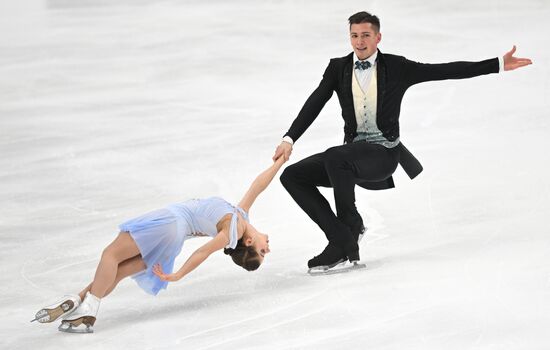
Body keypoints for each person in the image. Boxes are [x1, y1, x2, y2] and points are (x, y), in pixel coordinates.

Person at [273, 11, 532, 271]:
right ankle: (342, 235)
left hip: (382, 156)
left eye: (365, 35)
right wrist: (289, 138)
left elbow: (443, 71)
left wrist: (496, 64)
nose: (359, 42)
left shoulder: (397, 67)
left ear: (378, 37)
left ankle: (346, 237)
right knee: (292, 176)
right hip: (350, 158)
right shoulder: (338, 68)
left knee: (334, 156)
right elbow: (315, 101)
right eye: (354, 35)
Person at [32, 156, 287, 333]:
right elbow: (258, 186)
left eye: (263, 252)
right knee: (118, 271)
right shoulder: (241, 217)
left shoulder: (235, 230)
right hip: (173, 240)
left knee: (110, 255)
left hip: (169, 223)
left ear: (250, 242)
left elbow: (202, 252)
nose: (269, 248)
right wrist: (279, 162)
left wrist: (178, 275)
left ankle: (89, 306)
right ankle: (79, 302)